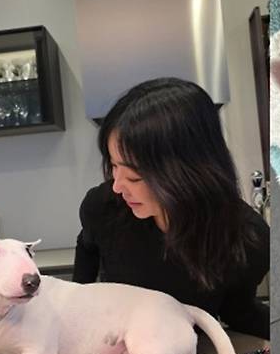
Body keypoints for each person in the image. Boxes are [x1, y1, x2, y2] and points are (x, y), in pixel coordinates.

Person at [72, 77, 269, 339]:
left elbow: (238, 311)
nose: (118, 186)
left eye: (134, 177)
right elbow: (86, 251)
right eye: (114, 166)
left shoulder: (246, 237)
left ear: (187, 172)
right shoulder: (103, 208)